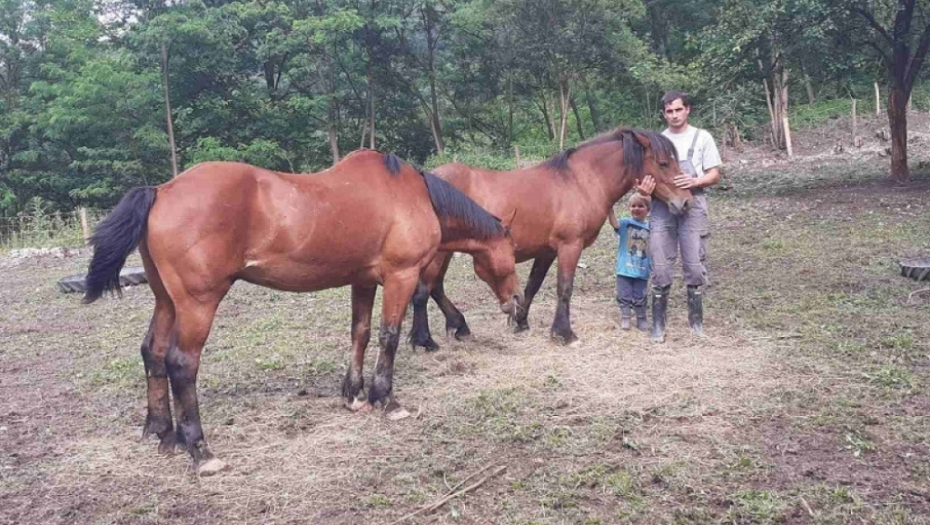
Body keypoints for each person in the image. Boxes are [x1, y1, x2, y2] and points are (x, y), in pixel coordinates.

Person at [636, 90, 722, 342]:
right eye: (669, 111)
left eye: (678, 110)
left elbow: (715, 173)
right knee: (660, 264)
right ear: (664, 114)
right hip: (663, 207)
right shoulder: (656, 142)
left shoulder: (702, 137)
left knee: (694, 263)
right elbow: (645, 180)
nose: (674, 115)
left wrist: (695, 180)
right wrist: (644, 191)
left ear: (687, 110)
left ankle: (695, 323)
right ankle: (658, 325)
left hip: (694, 203)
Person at [608, 194, 652, 331]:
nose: (636, 208)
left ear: (648, 210)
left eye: (640, 206)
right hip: (625, 269)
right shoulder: (626, 223)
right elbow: (614, 223)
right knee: (624, 294)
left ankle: (641, 318)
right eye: (633, 206)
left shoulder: (652, 227)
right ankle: (625, 317)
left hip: (642, 269)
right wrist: (609, 207)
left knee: (640, 295)